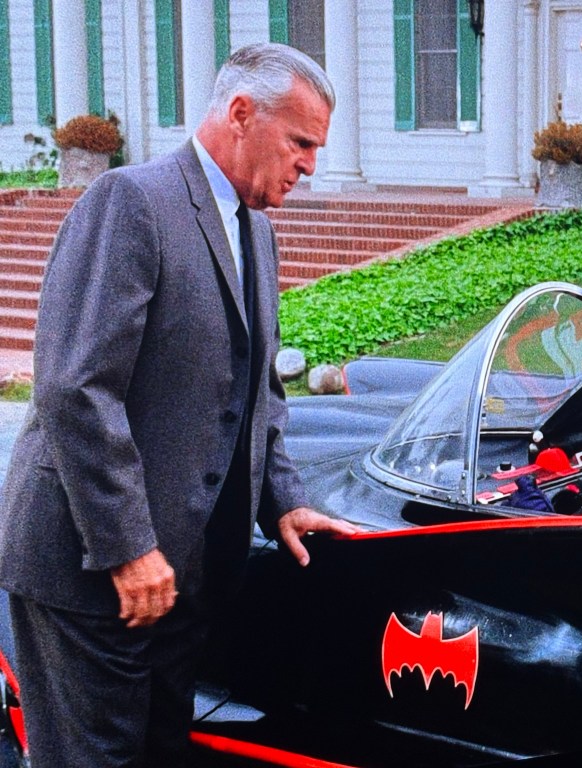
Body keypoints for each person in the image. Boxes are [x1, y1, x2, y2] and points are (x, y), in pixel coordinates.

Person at [0, 43, 359, 767]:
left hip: (181, 583)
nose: (311, 165)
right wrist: (129, 548)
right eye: (301, 142)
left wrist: (283, 499)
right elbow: (75, 386)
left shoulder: (257, 230)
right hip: (92, 574)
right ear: (240, 114)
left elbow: (256, 390)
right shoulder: (131, 201)